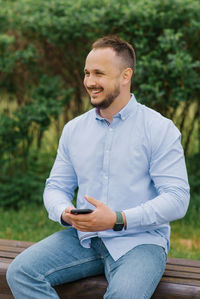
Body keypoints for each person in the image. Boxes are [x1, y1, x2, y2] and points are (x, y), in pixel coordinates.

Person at [6, 35, 190, 299]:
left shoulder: (159, 129)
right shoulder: (74, 130)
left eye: (99, 74)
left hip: (140, 242)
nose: (90, 82)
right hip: (83, 239)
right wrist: (64, 212)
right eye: (87, 73)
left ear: (125, 75)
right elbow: (56, 187)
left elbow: (177, 199)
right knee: (21, 272)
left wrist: (118, 219)